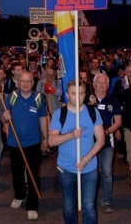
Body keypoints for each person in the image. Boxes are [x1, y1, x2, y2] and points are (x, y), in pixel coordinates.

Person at [48, 80, 105, 224]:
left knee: (89, 207)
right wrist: (71, 135)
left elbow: (100, 140)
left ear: (85, 95)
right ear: (67, 95)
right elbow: (51, 141)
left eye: (81, 93)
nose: (77, 97)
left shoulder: (93, 112)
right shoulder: (60, 114)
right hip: (66, 168)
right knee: (68, 207)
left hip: (89, 168)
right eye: (74, 93)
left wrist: (86, 159)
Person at [1, 72, 49, 221]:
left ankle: (32, 205)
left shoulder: (38, 98)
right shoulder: (11, 97)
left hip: (33, 144)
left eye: (28, 81)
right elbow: (3, 118)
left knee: (33, 174)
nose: (25, 84)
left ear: (32, 83)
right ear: (18, 82)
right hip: (14, 144)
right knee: (17, 173)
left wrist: (46, 138)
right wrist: (5, 117)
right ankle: (19, 195)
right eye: (23, 81)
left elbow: (42, 119)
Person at [88, 73, 122, 213]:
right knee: (90, 172)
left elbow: (118, 121)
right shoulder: (87, 100)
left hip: (107, 143)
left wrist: (107, 132)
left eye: (104, 84)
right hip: (89, 143)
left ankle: (106, 200)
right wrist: (90, 105)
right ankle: (90, 199)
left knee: (107, 172)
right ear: (94, 84)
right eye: (99, 83)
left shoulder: (113, 100)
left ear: (108, 85)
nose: (102, 86)